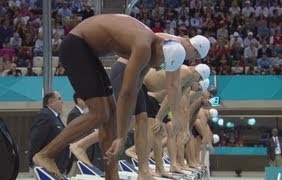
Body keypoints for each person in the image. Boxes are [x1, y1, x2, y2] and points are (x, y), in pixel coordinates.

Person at [32, 14, 186, 180]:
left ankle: (111, 176)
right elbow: (126, 94)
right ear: (161, 49)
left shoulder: (150, 49)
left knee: (110, 115)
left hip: (88, 53)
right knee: (99, 113)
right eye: (162, 63)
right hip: (76, 46)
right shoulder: (143, 47)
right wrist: (120, 137)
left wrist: (121, 133)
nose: (158, 68)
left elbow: (133, 94)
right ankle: (46, 154)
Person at [29, 91, 71, 175]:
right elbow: (35, 140)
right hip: (48, 167)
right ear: (51, 102)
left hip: (58, 166)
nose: (62, 101)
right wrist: (37, 163)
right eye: (59, 99)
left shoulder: (55, 117)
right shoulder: (45, 115)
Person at [67, 93, 104, 174]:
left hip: (87, 153)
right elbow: (75, 135)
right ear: (79, 100)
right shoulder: (74, 114)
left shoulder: (82, 114)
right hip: (79, 155)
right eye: (85, 99)